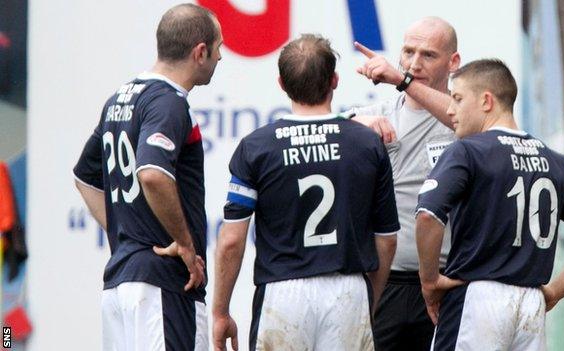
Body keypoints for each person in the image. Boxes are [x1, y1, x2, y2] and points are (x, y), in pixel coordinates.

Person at [211, 34, 400, 351]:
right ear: (335, 80)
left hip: (283, 293)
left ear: (281, 84)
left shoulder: (257, 146)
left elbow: (231, 241)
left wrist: (220, 312)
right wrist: (369, 298)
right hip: (348, 290)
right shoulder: (366, 144)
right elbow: (388, 239)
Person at [416, 59, 564, 350]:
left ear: (486, 101)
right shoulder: (555, 160)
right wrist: (554, 292)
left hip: (477, 298)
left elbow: (427, 216)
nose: (450, 109)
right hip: (531, 303)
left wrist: (429, 280)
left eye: (457, 98)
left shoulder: (467, 151)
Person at [73, 4, 223, 350]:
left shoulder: (119, 99)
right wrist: (184, 244)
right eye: (218, 48)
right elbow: (152, 173)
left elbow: (84, 179)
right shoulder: (169, 101)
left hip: (122, 284)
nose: (220, 57)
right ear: (199, 52)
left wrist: (129, 236)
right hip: (162, 286)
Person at [351, 17, 459, 350]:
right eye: (408, 52)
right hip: (385, 280)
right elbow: (331, 128)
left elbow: (462, 116)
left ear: (453, 62)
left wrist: (402, 79)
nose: (414, 63)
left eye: (428, 55)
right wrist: (355, 123)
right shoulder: (376, 111)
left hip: (444, 284)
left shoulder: (463, 117)